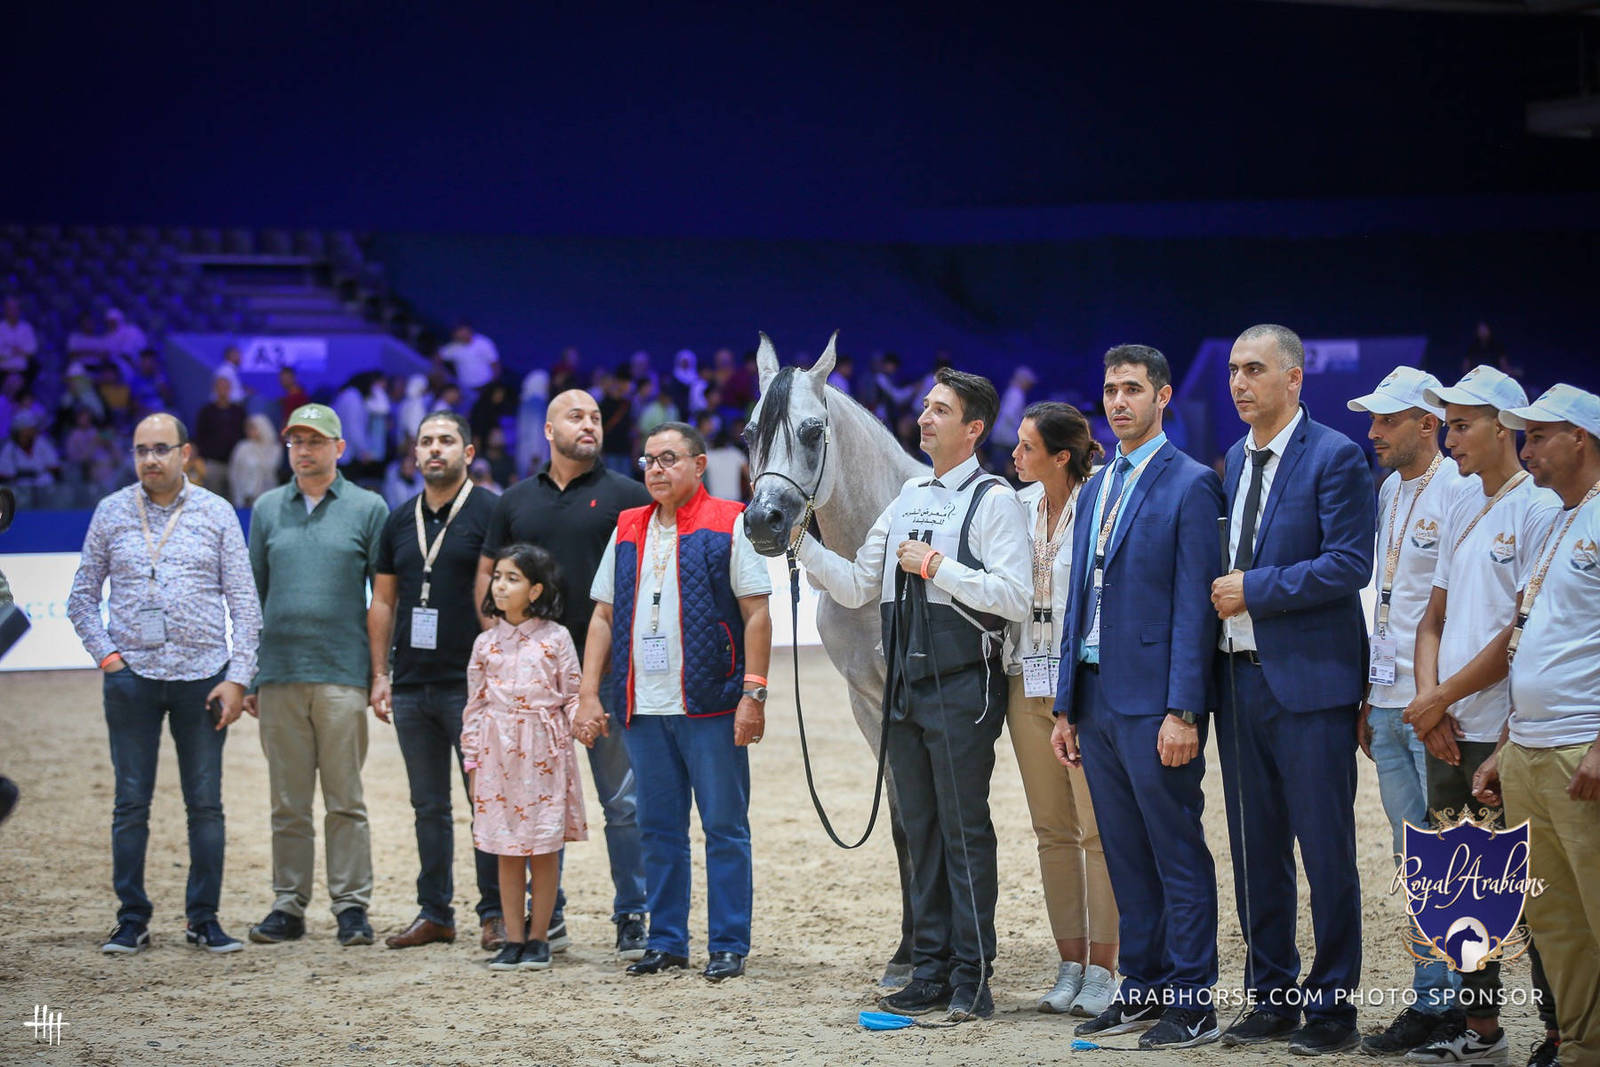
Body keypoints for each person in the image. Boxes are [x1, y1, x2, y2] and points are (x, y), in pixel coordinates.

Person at [798, 369, 1031, 1022]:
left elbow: (1015, 595)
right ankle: (929, 967)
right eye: (925, 408)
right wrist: (803, 547)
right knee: (920, 829)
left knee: (961, 831)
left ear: (974, 427)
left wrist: (937, 567)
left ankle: (972, 973)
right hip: (905, 681)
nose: (924, 418)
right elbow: (854, 584)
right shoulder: (905, 497)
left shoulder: (993, 500)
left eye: (940, 410)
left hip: (963, 684)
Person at [1051, 348, 1225, 1049]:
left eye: (1132, 389)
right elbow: (1075, 602)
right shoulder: (1094, 487)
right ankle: (1144, 985)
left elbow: (1195, 608)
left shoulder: (1190, 484)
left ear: (1163, 397)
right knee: (1124, 851)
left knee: (1176, 850)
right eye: (1109, 390)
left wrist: (1185, 709)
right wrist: (1066, 703)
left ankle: (1193, 1000)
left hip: (1157, 703)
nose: (1118, 401)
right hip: (1095, 696)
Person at [1210, 323, 1374, 1055]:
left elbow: (1348, 565)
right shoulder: (1233, 463)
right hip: (1240, 684)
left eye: (1256, 370)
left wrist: (1257, 588)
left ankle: (1334, 1007)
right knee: (1256, 850)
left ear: (1294, 378)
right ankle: (1272, 996)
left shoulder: (1336, 456)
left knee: (1326, 851)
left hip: (1311, 686)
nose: (1241, 383)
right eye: (1235, 371)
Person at [1400, 366, 1562, 1065]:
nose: (1453, 437)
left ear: (1505, 426)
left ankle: (1562, 1033)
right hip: (1449, 728)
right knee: (1456, 892)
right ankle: (1482, 1031)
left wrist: (1441, 698)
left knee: (1528, 897)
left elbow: (1518, 633)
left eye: (1463, 424)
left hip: (1500, 727)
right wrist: (1431, 700)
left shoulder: (1537, 508)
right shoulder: (1463, 498)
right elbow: (1431, 617)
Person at [577, 420, 772, 983]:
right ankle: (666, 940)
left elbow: (757, 613)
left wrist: (753, 693)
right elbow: (604, 616)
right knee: (658, 829)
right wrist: (590, 691)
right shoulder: (628, 526)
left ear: (698, 464)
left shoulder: (730, 521)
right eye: (648, 461)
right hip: (642, 704)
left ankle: (729, 943)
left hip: (710, 702)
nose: (656, 470)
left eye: (668, 459)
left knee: (724, 826)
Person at [66, 413, 262, 955]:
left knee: (206, 805)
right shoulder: (111, 511)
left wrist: (238, 678)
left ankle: (204, 919)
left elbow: (245, 606)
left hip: (205, 679)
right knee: (130, 803)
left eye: (161, 449)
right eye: (141, 450)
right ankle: (132, 918)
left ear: (185, 453)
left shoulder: (216, 512)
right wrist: (108, 657)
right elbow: (81, 597)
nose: (150, 459)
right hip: (132, 679)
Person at [478, 387, 653, 956]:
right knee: (529, 803)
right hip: (528, 688)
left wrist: (601, 683)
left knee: (622, 804)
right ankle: (543, 918)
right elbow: (488, 583)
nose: (590, 425)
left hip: (605, 679)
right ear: (547, 430)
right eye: (576, 416)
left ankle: (632, 913)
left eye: (597, 418)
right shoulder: (513, 501)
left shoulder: (629, 497)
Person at [1344, 365, 1471, 1054]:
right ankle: (1435, 1002)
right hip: (1389, 701)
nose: (1373, 431)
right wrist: (1371, 690)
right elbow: (1384, 596)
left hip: (1435, 707)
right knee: (1414, 858)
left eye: (1387, 420)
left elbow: (1461, 610)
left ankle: (1463, 1013)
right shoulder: (1390, 488)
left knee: (1452, 857)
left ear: (1429, 423)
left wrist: (1438, 698)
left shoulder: (1460, 492)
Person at [1472, 384, 1600, 1067]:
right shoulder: (1554, 520)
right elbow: (1527, 639)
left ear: (1580, 436)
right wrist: (1505, 746)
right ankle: (1583, 1047)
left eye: (1540, 437)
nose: (1529, 451)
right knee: (1555, 922)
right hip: (1532, 751)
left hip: (1584, 748)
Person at [244, 403, 389, 948]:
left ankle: (351, 906)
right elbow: (252, 595)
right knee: (288, 801)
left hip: (342, 674)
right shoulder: (265, 510)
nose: (304, 450)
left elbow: (382, 599)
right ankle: (289, 904)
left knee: (345, 799)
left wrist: (380, 673)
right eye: (296, 442)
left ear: (339, 449)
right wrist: (251, 672)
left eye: (315, 441)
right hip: (279, 675)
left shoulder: (368, 508)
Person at [368, 411, 503, 951]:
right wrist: (380, 674)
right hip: (411, 684)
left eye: (447, 440)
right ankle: (435, 913)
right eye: (426, 441)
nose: (435, 449)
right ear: (415, 454)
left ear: (468, 454)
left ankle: (493, 912)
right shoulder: (399, 520)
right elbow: (383, 601)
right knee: (427, 805)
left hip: (472, 684)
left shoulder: (493, 512)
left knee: (484, 801)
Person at [1003, 401, 1120, 1017]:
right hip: (1026, 678)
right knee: (1052, 831)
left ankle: (1106, 966)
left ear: (1061, 456)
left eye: (1026, 447)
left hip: (1084, 685)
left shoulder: (1100, 502)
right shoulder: (1013, 507)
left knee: (1098, 831)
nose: (1015, 456)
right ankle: (1069, 962)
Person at [466, 543, 588, 970]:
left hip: (544, 752)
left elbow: (573, 695)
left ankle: (540, 938)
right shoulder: (485, 644)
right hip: (497, 755)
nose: (500, 586)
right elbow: (475, 706)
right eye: (497, 577)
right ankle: (513, 938)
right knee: (506, 848)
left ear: (535, 590)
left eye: (512, 579)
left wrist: (585, 721)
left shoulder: (556, 638)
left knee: (542, 847)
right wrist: (471, 761)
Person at [195, 375, 247, 499]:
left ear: (230, 389)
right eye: (220, 387)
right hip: (213, 463)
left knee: (236, 498)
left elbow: (244, 435)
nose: (223, 390)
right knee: (214, 499)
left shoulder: (238, 411)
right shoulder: (206, 412)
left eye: (226, 387)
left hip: (236, 463)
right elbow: (199, 435)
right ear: (215, 389)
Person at [228, 413, 283, 508]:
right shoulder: (242, 447)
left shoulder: (275, 448)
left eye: (252, 428)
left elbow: (271, 467)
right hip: (246, 495)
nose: (249, 431)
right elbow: (234, 471)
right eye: (248, 428)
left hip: (268, 493)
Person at [441, 321, 500, 391]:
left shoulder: (483, 342)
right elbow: (437, 357)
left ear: (469, 330)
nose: (462, 334)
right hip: (464, 387)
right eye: (458, 332)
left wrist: (493, 383)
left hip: (486, 385)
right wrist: (444, 373)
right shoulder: (453, 347)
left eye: (464, 331)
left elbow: (495, 364)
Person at [0, 296, 38, 376]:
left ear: (19, 310)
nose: (13, 311)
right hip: (3, 371)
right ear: (5, 310)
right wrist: (16, 351)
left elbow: (31, 352)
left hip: (23, 371)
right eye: (10, 308)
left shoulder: (27, 328)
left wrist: (9, 351)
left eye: (15, 308)